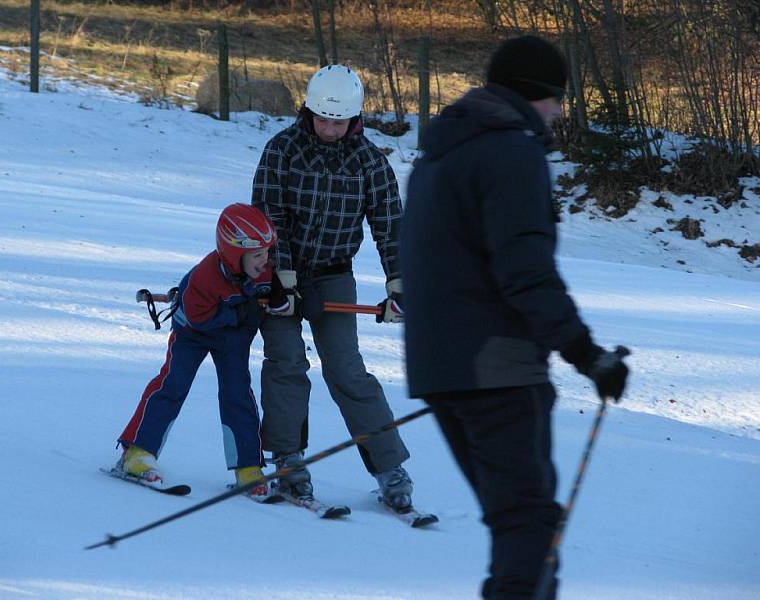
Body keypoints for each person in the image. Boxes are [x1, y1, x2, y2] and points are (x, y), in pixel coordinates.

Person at [401, 35, 630, 599]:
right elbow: (525, 271)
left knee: (518, 521)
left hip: (442, 370)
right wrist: (588, 355)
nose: (558, 115)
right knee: (527, 523)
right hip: (496, 369)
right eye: (557, 101)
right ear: (539, 95)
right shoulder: (510, 152)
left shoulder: (440, 154)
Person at [251, 64, 414, 510]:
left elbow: (390, 227)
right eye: (322, 119)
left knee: (347, 371)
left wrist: (399, 285)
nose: (329, 128)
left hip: (334, 275)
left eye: (338, 122)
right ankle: (287, 460)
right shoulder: (281, 150)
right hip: (279, 277)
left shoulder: (369, 162)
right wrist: (280, 281)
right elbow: (268, 218)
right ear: (308, 111)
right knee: (286, 364)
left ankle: (389, 469)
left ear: (355, 119)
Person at [115, 203, 277, 498]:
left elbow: (275, 293)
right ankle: (136, 453)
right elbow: (201, 318)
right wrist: (240, 313)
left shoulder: (264, 270)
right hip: (192, 333)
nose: (264, 261)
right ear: (233, 253)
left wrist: (282, 300)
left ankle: (248, 467)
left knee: (237, 394)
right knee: (173, 384)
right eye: (257, 255)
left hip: (233, 341)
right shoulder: (206, 277)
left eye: (267, 252)